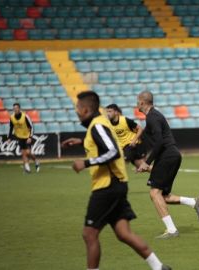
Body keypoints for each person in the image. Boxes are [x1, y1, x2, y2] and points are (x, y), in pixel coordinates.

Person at [61, 91, 171, 270]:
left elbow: (113, 152)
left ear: (87, 109)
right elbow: (107, 143)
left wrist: (86, 162)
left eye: (78, 108)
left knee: (89, 234)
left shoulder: (97, 125)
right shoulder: (101, 124)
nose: (77, 111)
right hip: (117, 185)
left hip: (107, 187)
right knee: (123, 233)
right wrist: (81, 142)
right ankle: (159, 267)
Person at [136, 90, 199, 239]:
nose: (136, 104)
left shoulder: (152, 117)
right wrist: (136, 139)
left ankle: (172, 230)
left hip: (167, 156)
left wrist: (146, 163)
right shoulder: (154, 116)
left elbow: (160, 142)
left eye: (137, 101)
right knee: (163, 196)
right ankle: (194, 202)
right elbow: (147, 133)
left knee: (154, 193)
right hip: (171, 156)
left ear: (142, 102)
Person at [7, 103, 40, 173]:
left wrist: (30, 137)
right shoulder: (12, 117)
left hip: (27, 137)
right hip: (19, 137)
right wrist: (9, 138)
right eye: (14, 108)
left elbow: (31, 127)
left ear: (19, 109)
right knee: (23, 153)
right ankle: (27, 168)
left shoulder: (25, 116)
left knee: (28, 152)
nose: (15, 109)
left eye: (16, 108)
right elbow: (10, 128)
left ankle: (36, 161)